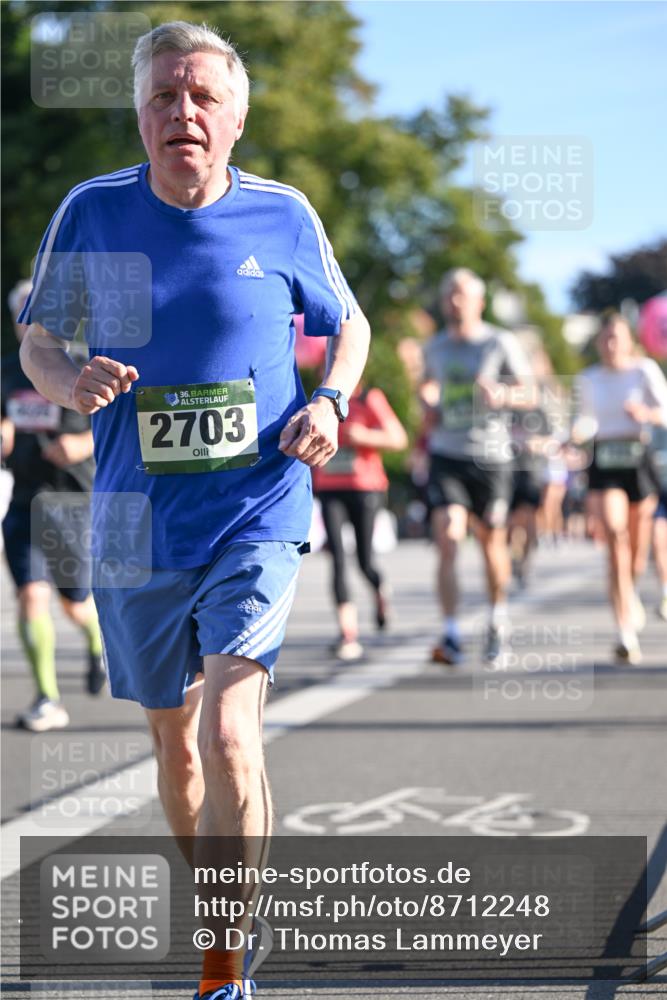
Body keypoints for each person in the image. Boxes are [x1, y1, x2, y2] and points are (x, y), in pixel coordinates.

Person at [18, 21, 370, 1000]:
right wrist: (65, 378)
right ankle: (224, 904)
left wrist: (330, 401)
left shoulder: (281, 214)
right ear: (138, 114)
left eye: (202, 96)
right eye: (164, 97)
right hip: (136, 516)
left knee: (227, 735)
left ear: (236, 114)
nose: (183, 112)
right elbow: (37, 336)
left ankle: (222, 966)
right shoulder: (93, 211)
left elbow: (350, 325)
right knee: (173, 742)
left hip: (256, 501)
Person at [2, 280, 105, 732]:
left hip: (72, 502)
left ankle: (98, 644)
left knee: (75, 604)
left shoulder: (87, 365)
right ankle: (47, 696)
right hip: (24, 500)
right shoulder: (7, 371)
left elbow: (120, 431)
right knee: (29, 597)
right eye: (23, 313)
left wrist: (83, 443)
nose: (30, 321)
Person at [421, 268, 533, 665]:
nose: (454, 301)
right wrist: (428, 403)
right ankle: (450, 632)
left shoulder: (499, 342)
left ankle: (496, 619)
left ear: (479, 302)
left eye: (462, 294)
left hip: (491, 457)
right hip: (446, 454)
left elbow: (531, 392)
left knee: (490, 544)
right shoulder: (433, 348)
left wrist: (502, 394)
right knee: (448, 536)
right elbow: (427, 391)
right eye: (449, 293)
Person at [572, 312, 667, 664]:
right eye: (605, 338)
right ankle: (624, 632)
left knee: (637, 550)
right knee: (614, 537)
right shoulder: (589, 378)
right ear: (599, 343)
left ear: (629, 341)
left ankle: (631, 589)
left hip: (637, 456)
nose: (611, 345)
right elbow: (584, 417)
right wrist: (577, 432)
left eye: (617, 338)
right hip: (604, 458)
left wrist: (646, 413)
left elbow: (664, 412)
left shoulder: (644, 371)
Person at [312, 382, 407, 660]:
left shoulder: (369, 398)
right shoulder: (317, 400)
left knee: (364, 561)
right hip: (330, 488)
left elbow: (397, 438)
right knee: (337, 559)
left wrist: (363, 435)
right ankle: (348, 634)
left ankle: (379, 589)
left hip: (365, 487)